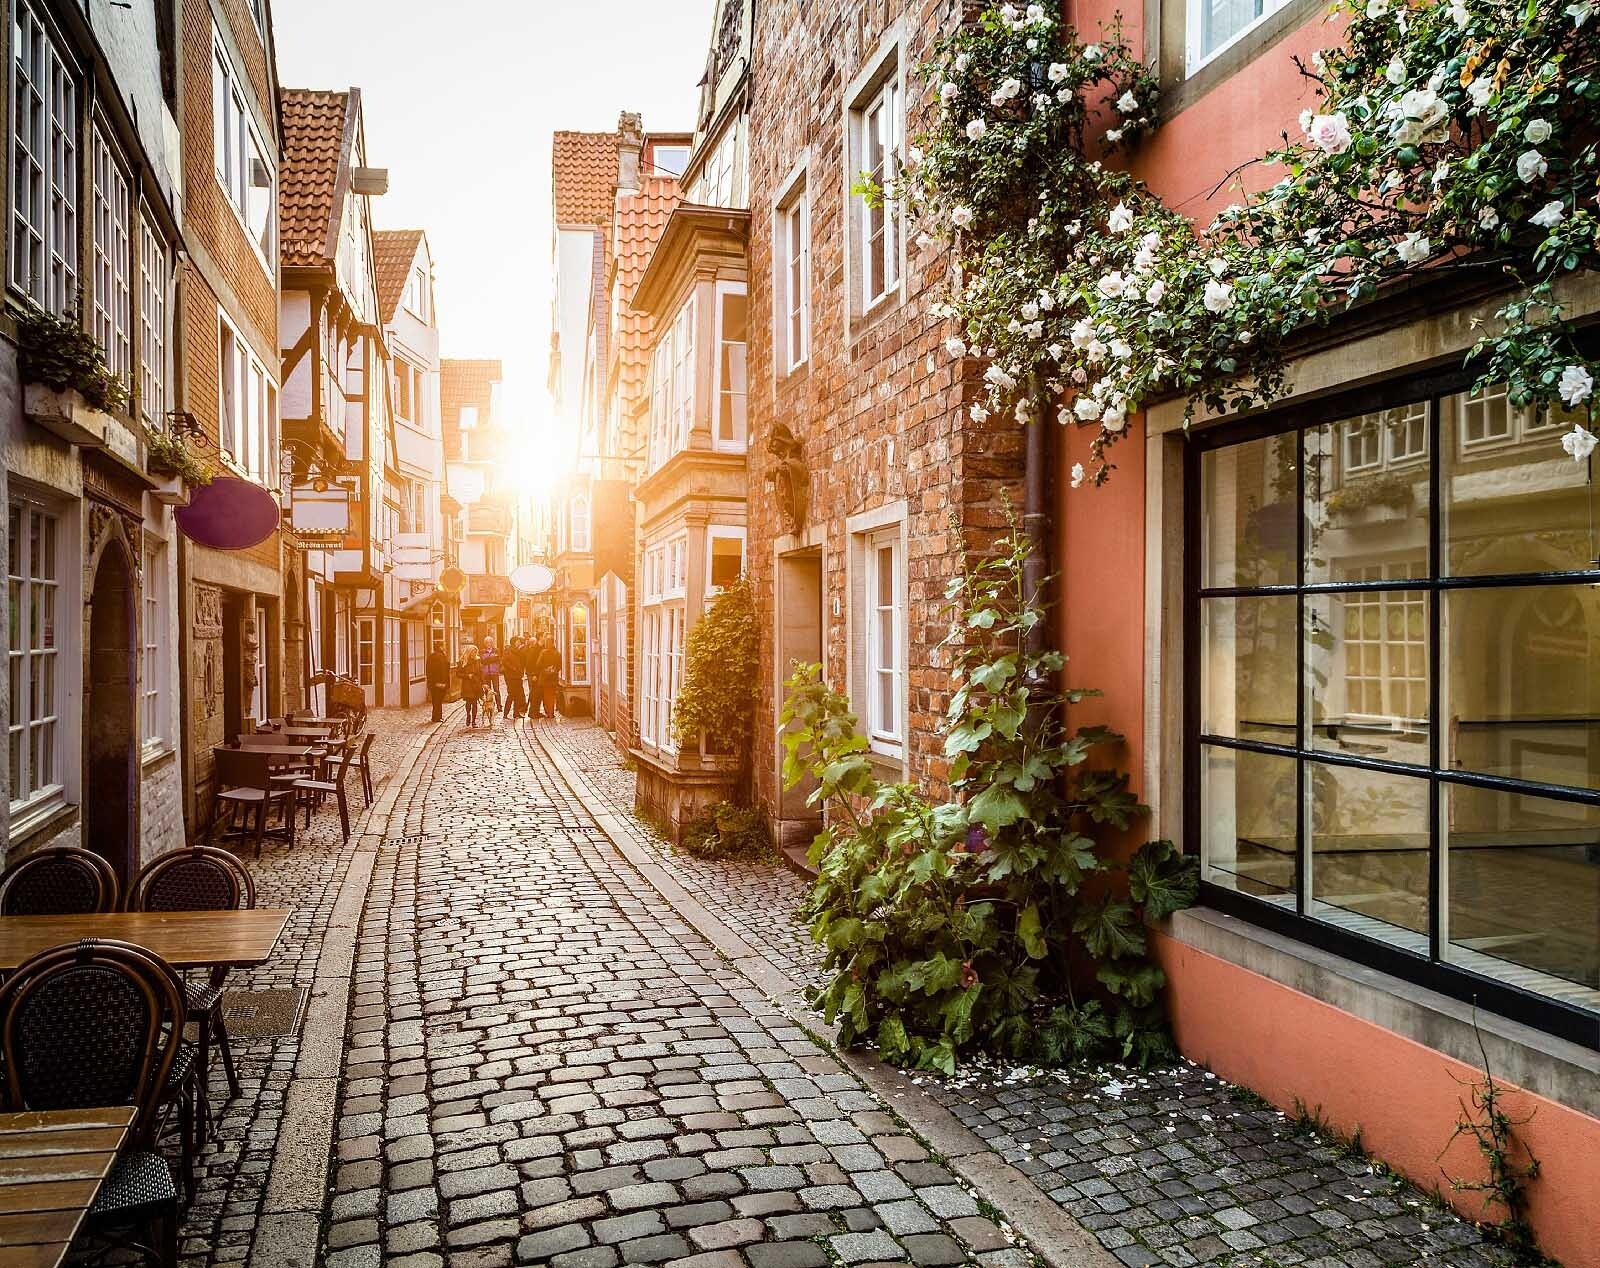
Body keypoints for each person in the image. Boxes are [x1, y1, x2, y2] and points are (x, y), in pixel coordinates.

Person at [458, 645, 484, 728]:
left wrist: (483, 683)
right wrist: (467, 676)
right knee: (469, 702)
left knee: (475, 703)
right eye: (473, 652)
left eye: (475, 652)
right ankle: (468, 715)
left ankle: (473, 721)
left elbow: (481, 672)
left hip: (476, 684)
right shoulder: (462, 661)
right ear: (469, 652)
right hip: (467, 685)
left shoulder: (478, 660)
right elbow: (458, 674)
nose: (474, 654)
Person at [537, 635, 561, 720]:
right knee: (551, 696)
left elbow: (538, 664)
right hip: (553, 677)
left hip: (545, 678)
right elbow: (559, 666)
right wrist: (553, 669)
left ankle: (548, 712)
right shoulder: (557, 653)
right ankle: (551, 712)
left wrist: (545, 670)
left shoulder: (543, 652)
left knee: (546, 696)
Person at [426, 644, 450, 723]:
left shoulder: (431, 657)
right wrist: (443, 683)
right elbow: (444, 671)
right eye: (443, 646)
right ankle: (437, 717)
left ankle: (435, 717)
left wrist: (431, 683)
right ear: (440, 647)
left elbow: (428, 671)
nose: (444, 648)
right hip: (440, 683)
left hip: (433, 683)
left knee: (435, 700)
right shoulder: (441, 657)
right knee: (438, 700)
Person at [503, 637, 527, 719]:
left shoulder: (519, 651)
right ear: (514, 642)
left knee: (518, 695)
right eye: (518, 641)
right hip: (510, 677)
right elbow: (505, 662)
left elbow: (522, 662)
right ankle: (505, 713)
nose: (519, 643)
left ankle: (516, 713)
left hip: (518, 676)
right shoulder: (508, 651)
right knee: (511, 695)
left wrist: (520, 671)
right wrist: (513, 668)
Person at [480, 636, 502, 717]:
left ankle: (499, 706)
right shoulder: (482, 651)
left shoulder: (496, 650)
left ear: (492, 643)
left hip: (494, 672)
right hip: (486, 673)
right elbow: (483, 661)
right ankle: (487, 706)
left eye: (490, 642)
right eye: (487, 642)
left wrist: (488, 659)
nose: (488, 644)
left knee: (496, 690)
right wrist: (492, 658)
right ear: (485, 644)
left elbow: (498, 659)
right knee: (487, 691)